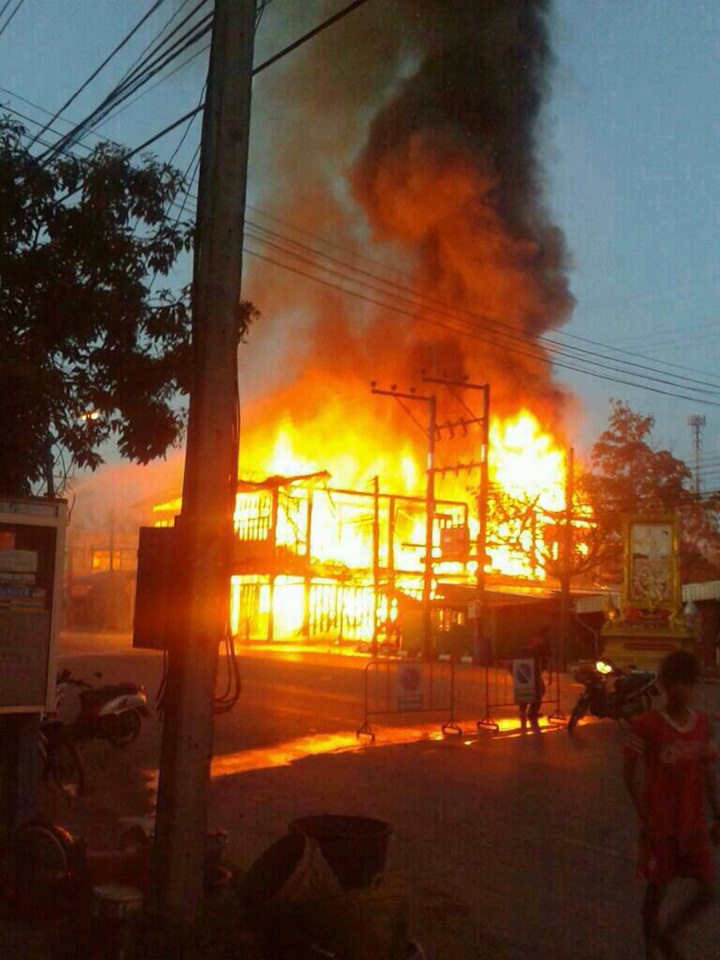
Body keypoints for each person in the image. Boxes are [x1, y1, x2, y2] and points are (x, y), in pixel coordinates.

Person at [622, 649, 720, 959]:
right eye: (675, 682)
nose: (681, 689)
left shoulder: (703, 725)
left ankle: (667, 936)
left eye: (687, 683)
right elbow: (629, 773)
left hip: (693, 826)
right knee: (656, 893)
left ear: (694, 685)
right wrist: (645, 818)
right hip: (661, 828)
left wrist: (717, 814)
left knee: (708, 891)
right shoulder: (646, 725)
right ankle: (652, 949)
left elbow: (707, 772)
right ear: (664, 685)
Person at [518, 625, 551, 731]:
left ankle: (525, 710)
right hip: (533, 668)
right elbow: (542, 655)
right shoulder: (540, 642)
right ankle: (532, 711)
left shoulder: (536, 641)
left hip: (529, 667)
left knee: (531, 689)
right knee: (539, 690)